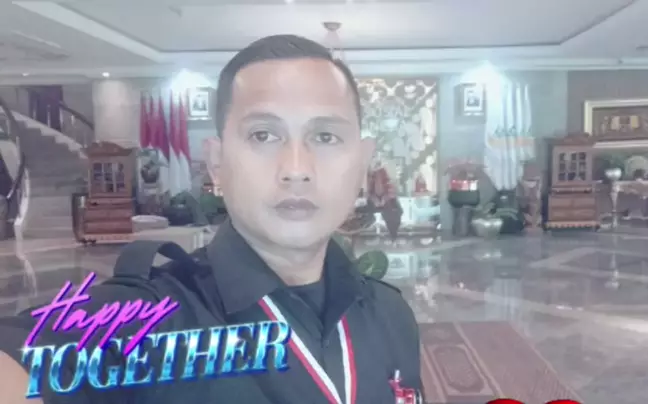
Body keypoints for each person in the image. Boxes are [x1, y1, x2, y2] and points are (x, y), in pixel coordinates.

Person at [0, 35, 422, 404]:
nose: (296, 168)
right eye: (263, 135)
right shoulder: (149, 322)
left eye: (325, 136)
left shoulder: (392, 314)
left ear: (362, 162)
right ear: (217, 164)